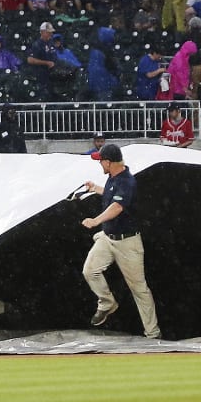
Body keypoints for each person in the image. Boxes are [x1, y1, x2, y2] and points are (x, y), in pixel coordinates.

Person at [80, 143, 161, 339]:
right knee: (90, 270)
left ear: (108, 162)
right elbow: (110, 195)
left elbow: (117, 206)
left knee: (139, 289)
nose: (99, 163)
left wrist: (95, 220)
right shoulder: (112, 178)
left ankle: (153, 333)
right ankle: (107, 303)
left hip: (128, 243)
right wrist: (95, 188)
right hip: (108, 238)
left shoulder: (127, 181)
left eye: (101, 161)